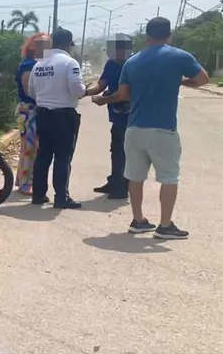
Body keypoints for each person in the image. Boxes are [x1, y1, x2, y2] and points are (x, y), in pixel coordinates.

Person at [91, 17, 209, 239]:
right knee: (169, 177)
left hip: (134, 127)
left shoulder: (132, 62)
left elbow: (122, 94)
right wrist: (179, 81)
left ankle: (138, 220)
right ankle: (165, 225)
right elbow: (203, 79)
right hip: (163, 129)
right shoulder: (180, 56)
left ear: (146, 37)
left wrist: (103, 99)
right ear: (169, 35)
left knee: (135, 176)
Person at [28, 28, 88, 209]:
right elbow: (77, 90)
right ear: (69, 44)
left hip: (43, 115)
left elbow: (31, 92)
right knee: (63, 157)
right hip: (64, 117)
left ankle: (38, 195)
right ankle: (61, 197)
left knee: (43, 156)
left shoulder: (39, 64)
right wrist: (85, 89)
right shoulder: (70, 63)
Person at [85, 33, 133, 200]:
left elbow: (126, 94)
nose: (117, 52)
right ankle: (114, 181)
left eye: (121, 48)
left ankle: (122, 188)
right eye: (115, 48)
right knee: (116, 150)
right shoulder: (111, 64)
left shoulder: (134, 64)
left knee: (125, 152)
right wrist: (85, 92)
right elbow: (102, 84)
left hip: (132, 116)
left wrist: (104, 100)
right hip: (117, 115)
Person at [14, 32, 51, 195]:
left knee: (30, 148)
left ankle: (22, 180)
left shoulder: (39, 64)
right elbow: (29, 91)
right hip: (30, 110)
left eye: (47, 44)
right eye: (40, 44)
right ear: (31, 47)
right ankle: (26, 184)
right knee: (30, 148)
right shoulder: (28, 65)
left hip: (33, 109)